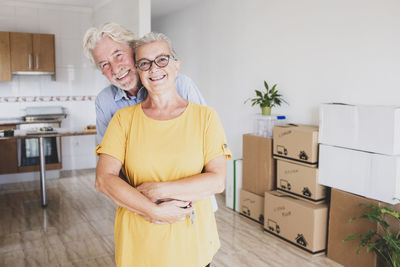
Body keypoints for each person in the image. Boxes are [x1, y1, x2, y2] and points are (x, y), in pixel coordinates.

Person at [95, 32, 231, 267]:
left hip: (192, 242)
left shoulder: (205, 117)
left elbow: (217, 182)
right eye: (144, 63)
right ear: (138, 71)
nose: (154, 68)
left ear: (177, 65)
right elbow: (104, 180)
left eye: (162, 59)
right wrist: (154, 210)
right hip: (139, 244)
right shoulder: (122, 119)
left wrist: (158, 191)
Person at [83, 22, 218, 211]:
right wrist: (147, 207)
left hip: (191, 202)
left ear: (134, 52)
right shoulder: (107, 103)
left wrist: (175, 200)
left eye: (118, 55)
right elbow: (109, 171)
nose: (115, 68)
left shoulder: (181, 85)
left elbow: (209, 156)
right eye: (104, 64)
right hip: (141, 206)